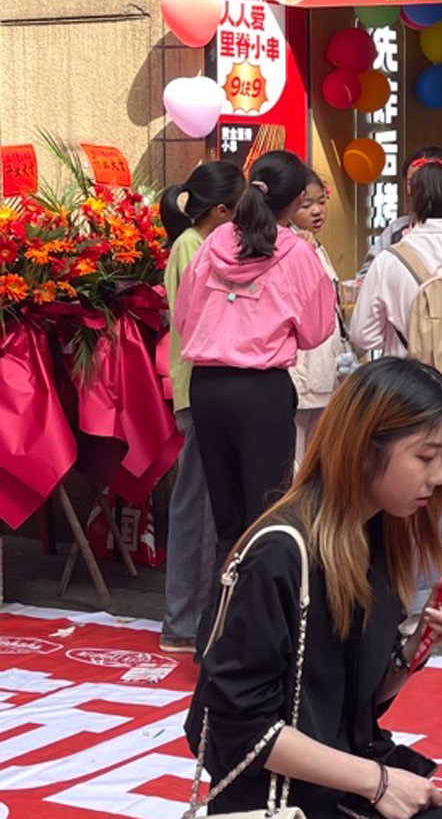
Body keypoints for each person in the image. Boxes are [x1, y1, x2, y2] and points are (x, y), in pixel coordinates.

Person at [185, 357, 442, 819]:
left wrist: (420, 642)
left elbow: (351, 700)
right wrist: (377, 782)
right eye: (425, 457)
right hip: (286, 806)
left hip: (343, 793)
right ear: (364, 446)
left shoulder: (375, 537)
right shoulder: (278, 551)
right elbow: (238, 727)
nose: (438, 477)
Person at [350, 158, 442, 628]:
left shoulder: (393, 258)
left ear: (411, 200)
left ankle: (418, 596)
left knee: (417, 497)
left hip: (416, 396)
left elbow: (362, 334)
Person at [175, 150, 336, 564]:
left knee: (226, 520)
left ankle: (222, 618)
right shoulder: (296, 253)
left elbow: (184, 317)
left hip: (207, 387)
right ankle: (260, 619)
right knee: (266, 516)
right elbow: (317, 331)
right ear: (297, 199)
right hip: (262, 391)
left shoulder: (214, 242)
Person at [158, 161, 246, 655]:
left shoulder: (195, 244)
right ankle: (181, 620)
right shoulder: (193, 247)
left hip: (203, 385)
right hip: (198, 386)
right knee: (195, 505)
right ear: (220, 211)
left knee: (207, 505)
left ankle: (193, 616)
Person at [288, 170, 347, 463]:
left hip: (323, 372)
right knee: (297, 459)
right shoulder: (289, 247)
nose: (316, 210)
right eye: (305, 204)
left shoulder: (314, 245)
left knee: (315, 457)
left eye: (321, 202)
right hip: (301, 374)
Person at [357, 147, 442, 282]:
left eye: (425, 183)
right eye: (411, 182)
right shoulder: (396, 229)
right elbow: (366, 277)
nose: (417, 190)